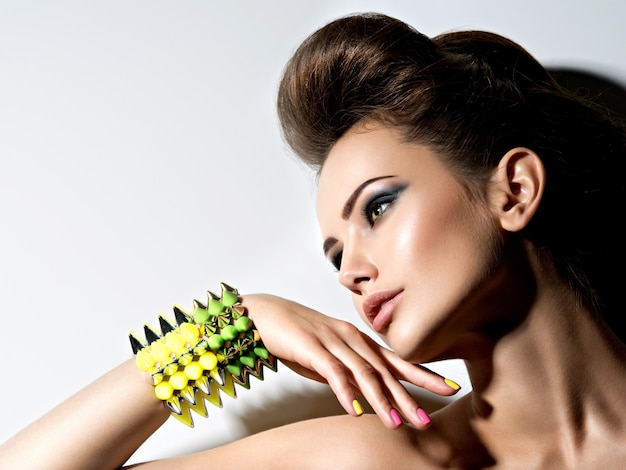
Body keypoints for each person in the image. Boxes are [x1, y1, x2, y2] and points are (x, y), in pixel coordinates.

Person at [1, 11, 626, 469]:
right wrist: (228, 333)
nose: (350, 271)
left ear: (513, 190)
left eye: (378, 206)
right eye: (334, 253)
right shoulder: (375, 460)